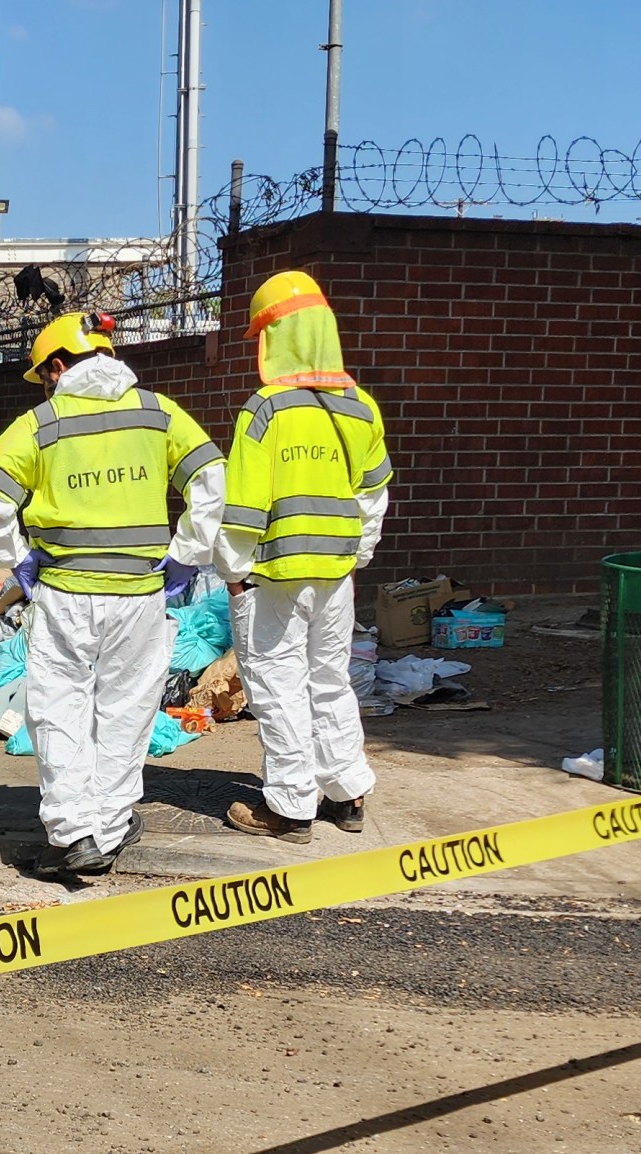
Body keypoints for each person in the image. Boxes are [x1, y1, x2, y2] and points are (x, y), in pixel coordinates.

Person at [0, 312, 223, 876]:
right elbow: (211, 482)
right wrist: (186, 552)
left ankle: (73, 834)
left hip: (64, 592)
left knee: (60, 709)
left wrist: (18, 557)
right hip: (139, 594)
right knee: (126, 711)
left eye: (44, 376)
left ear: (58, 366)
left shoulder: (41, 423)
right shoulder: (159, 414)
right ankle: (109, 826)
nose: (44, 386)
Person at [216, 271, 394, 843]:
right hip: (335, 574)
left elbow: (242, 506)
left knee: (277, 683)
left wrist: (233, 573)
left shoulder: (265, 410)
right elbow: (373, 496)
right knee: (329, 680)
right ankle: (348, 794)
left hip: (274, 576)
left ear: (277, 338)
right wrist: (355, 558)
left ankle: (290, 808)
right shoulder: (360, 406)